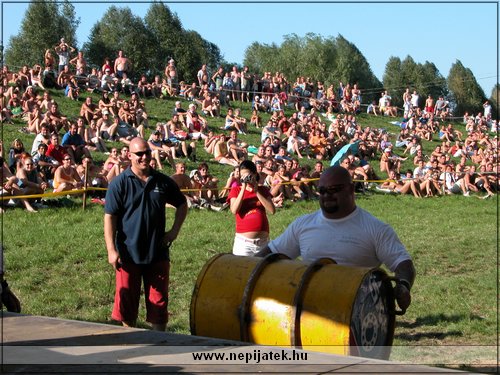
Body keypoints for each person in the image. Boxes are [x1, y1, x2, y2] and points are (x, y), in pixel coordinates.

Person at [256, 166, 416, 313]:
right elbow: (272, 253)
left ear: (351, 189)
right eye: (323, 190)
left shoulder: (375, 229)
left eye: (334, 190)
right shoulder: (303, 225)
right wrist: (241, 265)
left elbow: (403, 263)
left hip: (358, 318)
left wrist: (403, 286)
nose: (327, 195)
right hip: (311, 316)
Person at [104, 137, 188, 331]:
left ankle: (159, 344)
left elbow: (182, 204)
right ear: (129, 155)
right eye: (139, 153)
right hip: (128, 254)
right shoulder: (119, 183)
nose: (144, 157)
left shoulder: (162, 181)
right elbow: (110, 217)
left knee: (159, 305)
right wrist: (111, 249)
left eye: (147, 153)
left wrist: (173, 232)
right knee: (127, 305)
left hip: (157, 252)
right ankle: (130, 343)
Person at [227, 161, 275, 256]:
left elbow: (272, 210)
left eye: (248, 175)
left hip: (263, 243)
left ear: (254, 174)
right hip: (244, 244)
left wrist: (256, 191)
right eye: (242, 176)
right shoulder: (236, 190)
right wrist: (243, 188)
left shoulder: (263, 190)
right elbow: (234, 210)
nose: (245, 178)